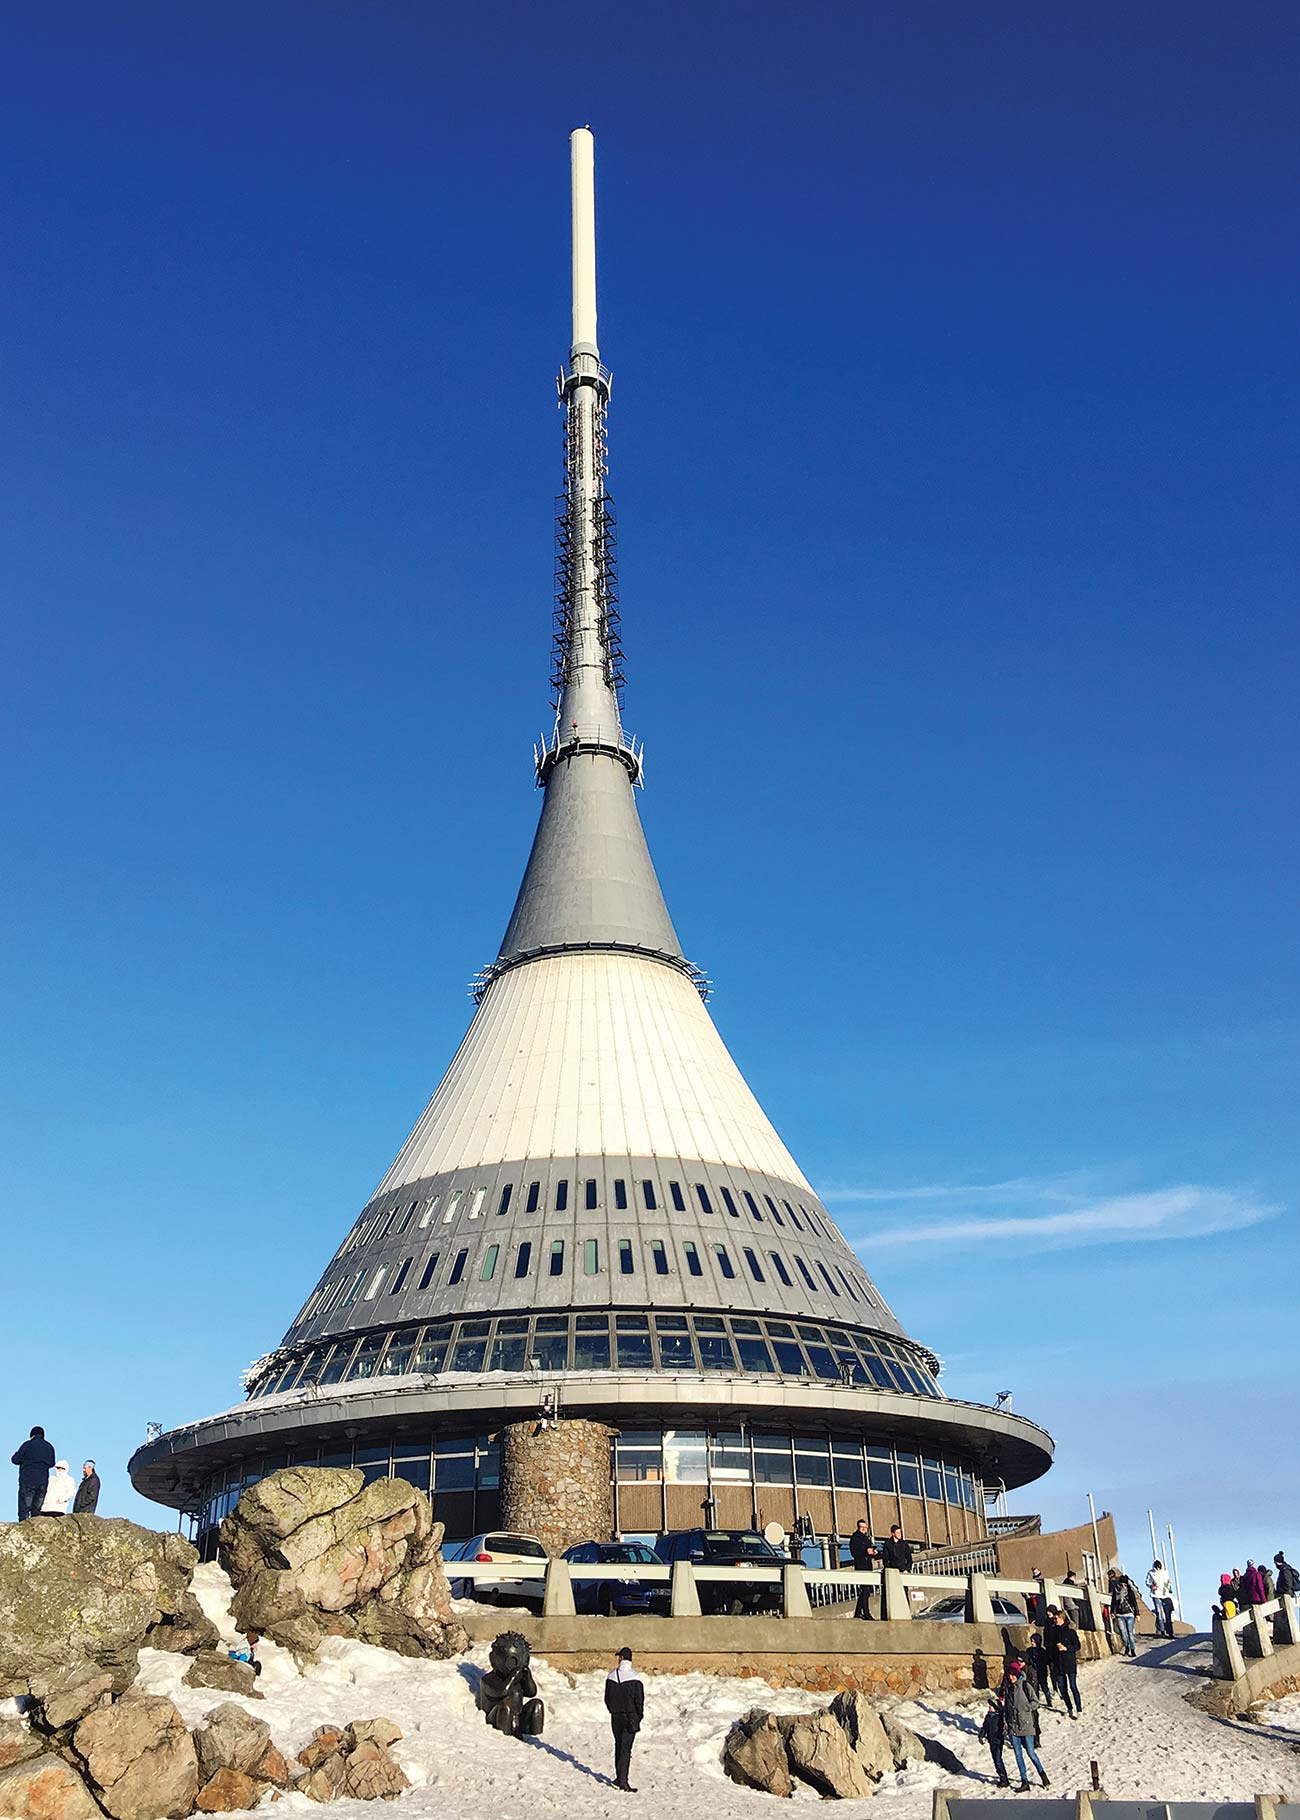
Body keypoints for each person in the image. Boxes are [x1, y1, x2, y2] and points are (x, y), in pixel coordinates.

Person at [1003, 1664, 1050, 1792]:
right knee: (1018, 1755)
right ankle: (1024, 1781)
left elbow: (1036, 1703)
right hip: (1013, 1726)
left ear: (1017, 1674)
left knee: (1030, 1752)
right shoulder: (1009, 1688)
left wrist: (1026, 1709)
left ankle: (1043, 1775)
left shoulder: (1025, 1686)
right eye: (1009, 1675)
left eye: (1013, 1674)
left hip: (1027, 1726)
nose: (1010, 1677)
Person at [604, 1647, 644, 1793]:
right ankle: (623, 1781)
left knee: (618, 1745)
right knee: (626, 1749)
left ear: (621, 1658)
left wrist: (613, 1710)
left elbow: (607, 1698)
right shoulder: (635, 1677)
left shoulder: (611, 1676)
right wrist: (638, 1716)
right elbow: (639, 1700)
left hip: (616, 1717)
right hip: (630, 1717)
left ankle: (619, 1776)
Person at [11, 1427, 56, 1522]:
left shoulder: (27, 1445)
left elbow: (15, 1460)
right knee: (37, 1509)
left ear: (32, 1435)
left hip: (28, 1480)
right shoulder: (49, 1447)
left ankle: (23, 1527)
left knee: (25, 1508)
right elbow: (52, 1463)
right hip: (42, 1482)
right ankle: (35, 1528)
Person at [1049, 1609, 1082, 1717]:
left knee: (1073, 1686)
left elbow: (1077, 1646)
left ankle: (1079, 1710)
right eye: (1054, 1619)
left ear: (1062, 1618)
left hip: (1069, 1662)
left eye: (1056, 1618)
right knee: (1062, 1688)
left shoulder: (1070, 1632)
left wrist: (1066, 1648)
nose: (1055, 1620)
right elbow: (1051, 1648)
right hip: (1058, 1664)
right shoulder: (1053, 1632)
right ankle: (1069, 1708)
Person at [848, 1520, 880, 1620]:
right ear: (858, 1527)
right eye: (862, 1527)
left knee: (866, 1590)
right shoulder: (855, 1538)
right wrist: (866, 1551)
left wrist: (874, 1552)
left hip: (867, 1566)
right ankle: (866, 1613)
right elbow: (855, 1552)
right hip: (861, 1566)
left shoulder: (866, 1538)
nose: (864, 1529)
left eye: (865, 1527)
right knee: (865, 1589)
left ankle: (858, 1612)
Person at [979, 1692, 1011, 1788]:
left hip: (997, 1740)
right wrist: (981, 1735)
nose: (989, 1708)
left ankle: (1004, 1778)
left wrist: (1003, 1735)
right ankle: (1002, 1776)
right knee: (995, 1759)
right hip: (991, 1741)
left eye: (991, 1706)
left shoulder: (999, 1717)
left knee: (998, 1759)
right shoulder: (988, 1717)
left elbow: (1003, 1728)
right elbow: (984, 1727)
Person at [1108, 1569, 1139, 1656]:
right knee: (1123, 1633)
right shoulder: (1116, 1591)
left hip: (1129, 1614)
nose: (1123, 1585)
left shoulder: (1130, 1592)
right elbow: (1113, 1602)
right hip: (1119, 1614)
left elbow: (1134, 1603)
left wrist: (1137, 1614)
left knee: (1130, 1633)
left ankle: (1132, 1649)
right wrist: (1112, 1612)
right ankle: (1126, 1646)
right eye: (1122, 1584)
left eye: (1125, 1584)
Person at [1146, 1561, 1174, 1638]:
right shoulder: (1151, 1573)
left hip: (1165, 1594)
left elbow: (1167, 1582)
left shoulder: (1164, 1573)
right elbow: (1147, 1582)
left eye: (1159, 1567)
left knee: (1167, 1614)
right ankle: (1162, 1631)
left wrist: (1169, 1588)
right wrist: (1152, 1586)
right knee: (1159, 1612)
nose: (1158, 1568)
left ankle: (1170, 1632)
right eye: (1157, 1567)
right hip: (1156, 1594)